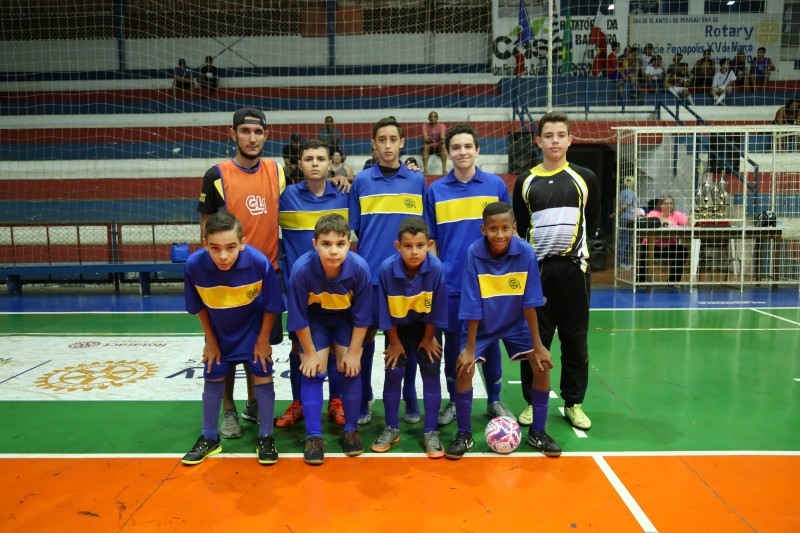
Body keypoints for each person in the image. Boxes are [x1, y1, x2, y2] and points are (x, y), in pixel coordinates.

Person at [444, 201, 561, 459]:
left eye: (505, 228)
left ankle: (538, 432)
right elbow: (472, 302)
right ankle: (464, 434)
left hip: (514, 321)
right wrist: (470, 349)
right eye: (493, 229)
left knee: (541, 365)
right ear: (483, 229)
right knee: (464, 368)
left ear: (514, 228)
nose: (500, 235)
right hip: (482, 323)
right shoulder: (474, 252)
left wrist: (538, 345)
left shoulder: (526, 252)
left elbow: (530, 302)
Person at [197, 107, 286, 441]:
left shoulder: (278, 172)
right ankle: (229, 410)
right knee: (226, 348)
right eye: (245, 131)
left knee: (259, 347)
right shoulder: (217, 175)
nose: (252, 138)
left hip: (267, 276)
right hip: (226, 278)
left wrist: (341, 176)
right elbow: (206, 228)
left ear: (266, 135)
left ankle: (252, 403)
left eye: (258, 132)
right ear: (232, 133)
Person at [513, 111, 600, 431]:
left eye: (560, 135)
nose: (555, 141)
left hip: (576, 270)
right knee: (535, 340)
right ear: (538, 140)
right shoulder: (525, 181)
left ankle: (573, 402)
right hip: (537, 273)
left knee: (575, 340)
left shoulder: (585, 178)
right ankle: (532, 401)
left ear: (569, 140)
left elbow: (593, 219)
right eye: (548, 136)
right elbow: (522, 228)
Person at [423, 124, 512, 427]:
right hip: (450, 284)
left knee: (489, 339)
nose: (462, 152)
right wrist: (437, 278)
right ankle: (453, 398)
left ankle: (494, 399)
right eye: (456, 147)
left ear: (477, 150)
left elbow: (506, 235)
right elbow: (430, 240)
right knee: (452, 344)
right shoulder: (435, 190)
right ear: (447, 153)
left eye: (467, 146)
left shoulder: (496, 186)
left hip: (489, 283)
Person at [181, 211, 285, 466]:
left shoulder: (259, 263)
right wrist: (210, 340)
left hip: (253, 331)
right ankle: (209, 436)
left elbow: (272, 306)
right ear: (205, 244)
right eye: (215, 248)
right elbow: (199, 308)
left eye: (231, 247)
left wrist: (262, 342)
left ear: (243, 243)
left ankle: (266, 436)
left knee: (262, 370)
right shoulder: (194, 266)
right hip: (220, 333)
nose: (223, 256)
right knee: (212, 373)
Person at [349, 117, 427, 427]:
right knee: (366, 337)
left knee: (406, 340)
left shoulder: (417, 181)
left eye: (393, 139)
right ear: (373, 143)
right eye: (381, 140)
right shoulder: (361, 181)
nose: (387, 146)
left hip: (406, 277)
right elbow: (355, 229)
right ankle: (365, 396)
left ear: (402, 142)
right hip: (369, 277)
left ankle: (409, 395)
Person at [287, 214, 372, 464]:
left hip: (346, 321)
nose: (333, 251)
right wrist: (310, 352)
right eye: (326, 244)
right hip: (316, 321)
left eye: (340, 244)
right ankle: (314, 437)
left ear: (349, 243)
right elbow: (298, 316)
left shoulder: (360, 269)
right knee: (313, 370)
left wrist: (355, 352)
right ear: (315, 244)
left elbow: (363, 317)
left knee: (351, 368)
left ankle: (351, 430)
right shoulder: (301, 270)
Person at [276, 139, 349, 429]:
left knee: (334, 347)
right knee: (299, 349)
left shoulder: (345, 193)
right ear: (299, 164)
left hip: (338, 288)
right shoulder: (286, 197)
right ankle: (299, 402)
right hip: (300, 292)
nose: (315, 163)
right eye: (309, 158)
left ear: (331, 164)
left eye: (321, 158)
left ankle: (337, 400)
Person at [372, 217, 448, 458]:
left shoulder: (436, 268)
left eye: (420, 245)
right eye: (408, 246)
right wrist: (394, 343)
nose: (414, 251)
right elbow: (384, 311)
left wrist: (428, 338)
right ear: (398, 246)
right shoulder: (386, 269)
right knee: (393, 374)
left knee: (431, 374)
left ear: (429, 244)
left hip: (427, 329)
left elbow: (438, 308)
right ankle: (391, 428)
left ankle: (430, 432)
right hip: (398, 330)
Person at [643, 195, 689, 283]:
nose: (669, 205)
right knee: (643, 250)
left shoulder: (676, 214)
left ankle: (674, 281)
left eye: (671, 203)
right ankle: (642, 281)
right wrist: (662, 220)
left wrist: (690, 219)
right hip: (653, 245)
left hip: (669, 246)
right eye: (666, 203)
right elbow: (648, 221)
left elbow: (686, 222)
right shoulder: (654, 213)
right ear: (660, 204)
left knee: (683, 251)